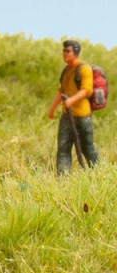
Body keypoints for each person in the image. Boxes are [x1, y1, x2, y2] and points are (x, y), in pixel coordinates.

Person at [47, 39, 99, 174]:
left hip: (82, 115)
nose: (64, 53)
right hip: (66, 116)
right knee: (63, 147)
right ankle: (62, 178)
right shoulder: (66, 70)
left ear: (75, 53)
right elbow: (61, 91)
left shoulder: (84, 69)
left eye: (68, 51)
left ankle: (99, 173)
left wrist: (71, 100)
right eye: (63, 51)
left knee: (87, 147)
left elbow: (87, 90)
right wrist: (52, 109)